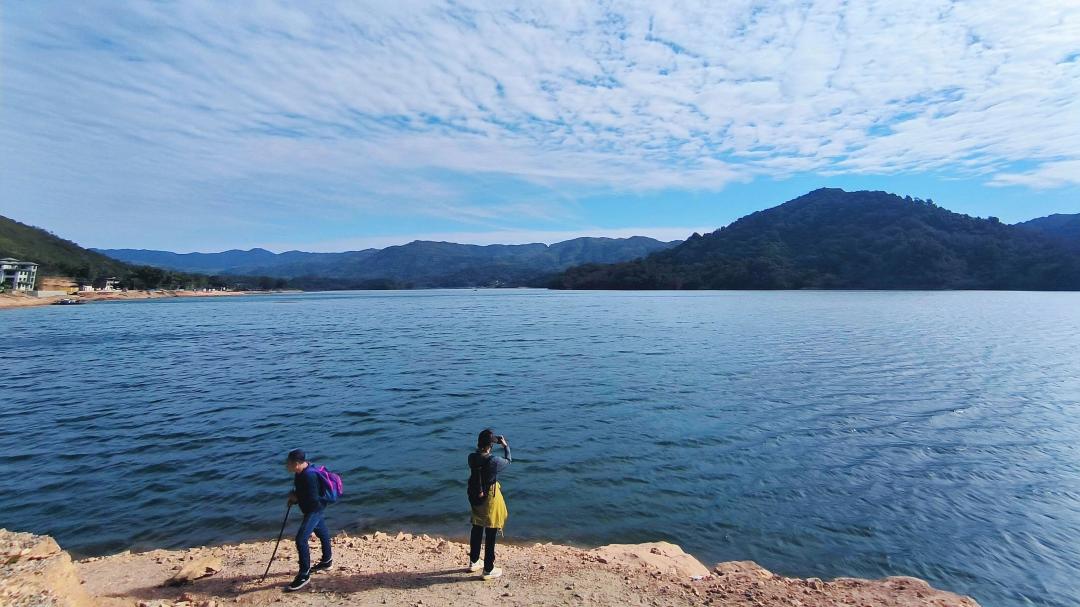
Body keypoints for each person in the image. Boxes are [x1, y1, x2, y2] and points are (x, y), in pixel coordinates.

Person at [284, 448, 333, 592]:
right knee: (322, 533)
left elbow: (312, 499)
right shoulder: (300, 473)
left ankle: (304, 574)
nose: (286, 465)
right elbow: (302, 492)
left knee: (301, 539)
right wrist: (294, 497)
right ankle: (327, 561)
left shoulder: (309, 476)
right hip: (311, 509)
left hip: (314, 510)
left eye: (288, 463)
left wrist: (296, 498)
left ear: (297, 464)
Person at [468, 428, 511, 579]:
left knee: (477, 527)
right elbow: (508, 460)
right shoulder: (494, 461)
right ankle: (488, 569)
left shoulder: (471, 458)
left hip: (475, 496)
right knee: (491, 531)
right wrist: (505, 446)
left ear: (478, 443)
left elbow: (480, 457)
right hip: (489, 498)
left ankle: (474, 561)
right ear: (491, 445)